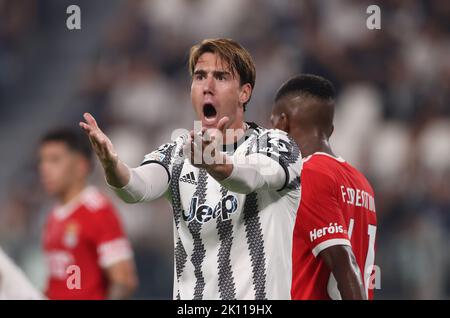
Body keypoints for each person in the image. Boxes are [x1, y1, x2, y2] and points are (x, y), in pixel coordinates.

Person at [80, 38, 302, 300]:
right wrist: (111, 163)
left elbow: (251, 179)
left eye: (220, 77)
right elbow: (136, 188)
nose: (207, 86)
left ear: (244, 92)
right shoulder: (175, 154)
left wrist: (215, 164)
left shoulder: (275, 144)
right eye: (199, 77)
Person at [270, 74, 377, 300]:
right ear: (331, 129)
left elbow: (343, 262)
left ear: (282, 123)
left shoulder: (308, 174)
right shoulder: (361, 183)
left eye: (271, 124)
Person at [39, 128, 137, 300]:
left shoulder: (98, 211)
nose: (44, 168)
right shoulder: (54, 215)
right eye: (42, 160)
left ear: (81, 166)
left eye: (54, 160)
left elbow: (124, 281)